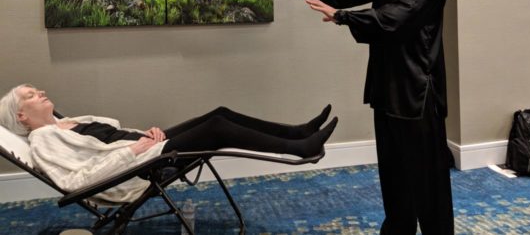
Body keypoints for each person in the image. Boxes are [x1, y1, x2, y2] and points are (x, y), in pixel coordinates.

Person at [255, 0, 453, 234]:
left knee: (428, 181)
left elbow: (400, 16)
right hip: (386, 87)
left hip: (418, 92)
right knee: (393, 176)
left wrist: (344, 16)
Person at [0, 84, 337, 203]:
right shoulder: (44, 139)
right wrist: (136, 149)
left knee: (219, 112)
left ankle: (296, 132)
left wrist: (144, 134)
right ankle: (300, 147)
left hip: (148, 149)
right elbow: (77, 181)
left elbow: (111, 136)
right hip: (141, 169)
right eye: (31, 95)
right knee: (218, 126)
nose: (40, 93)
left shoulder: (62, 122)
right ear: (22, 117)